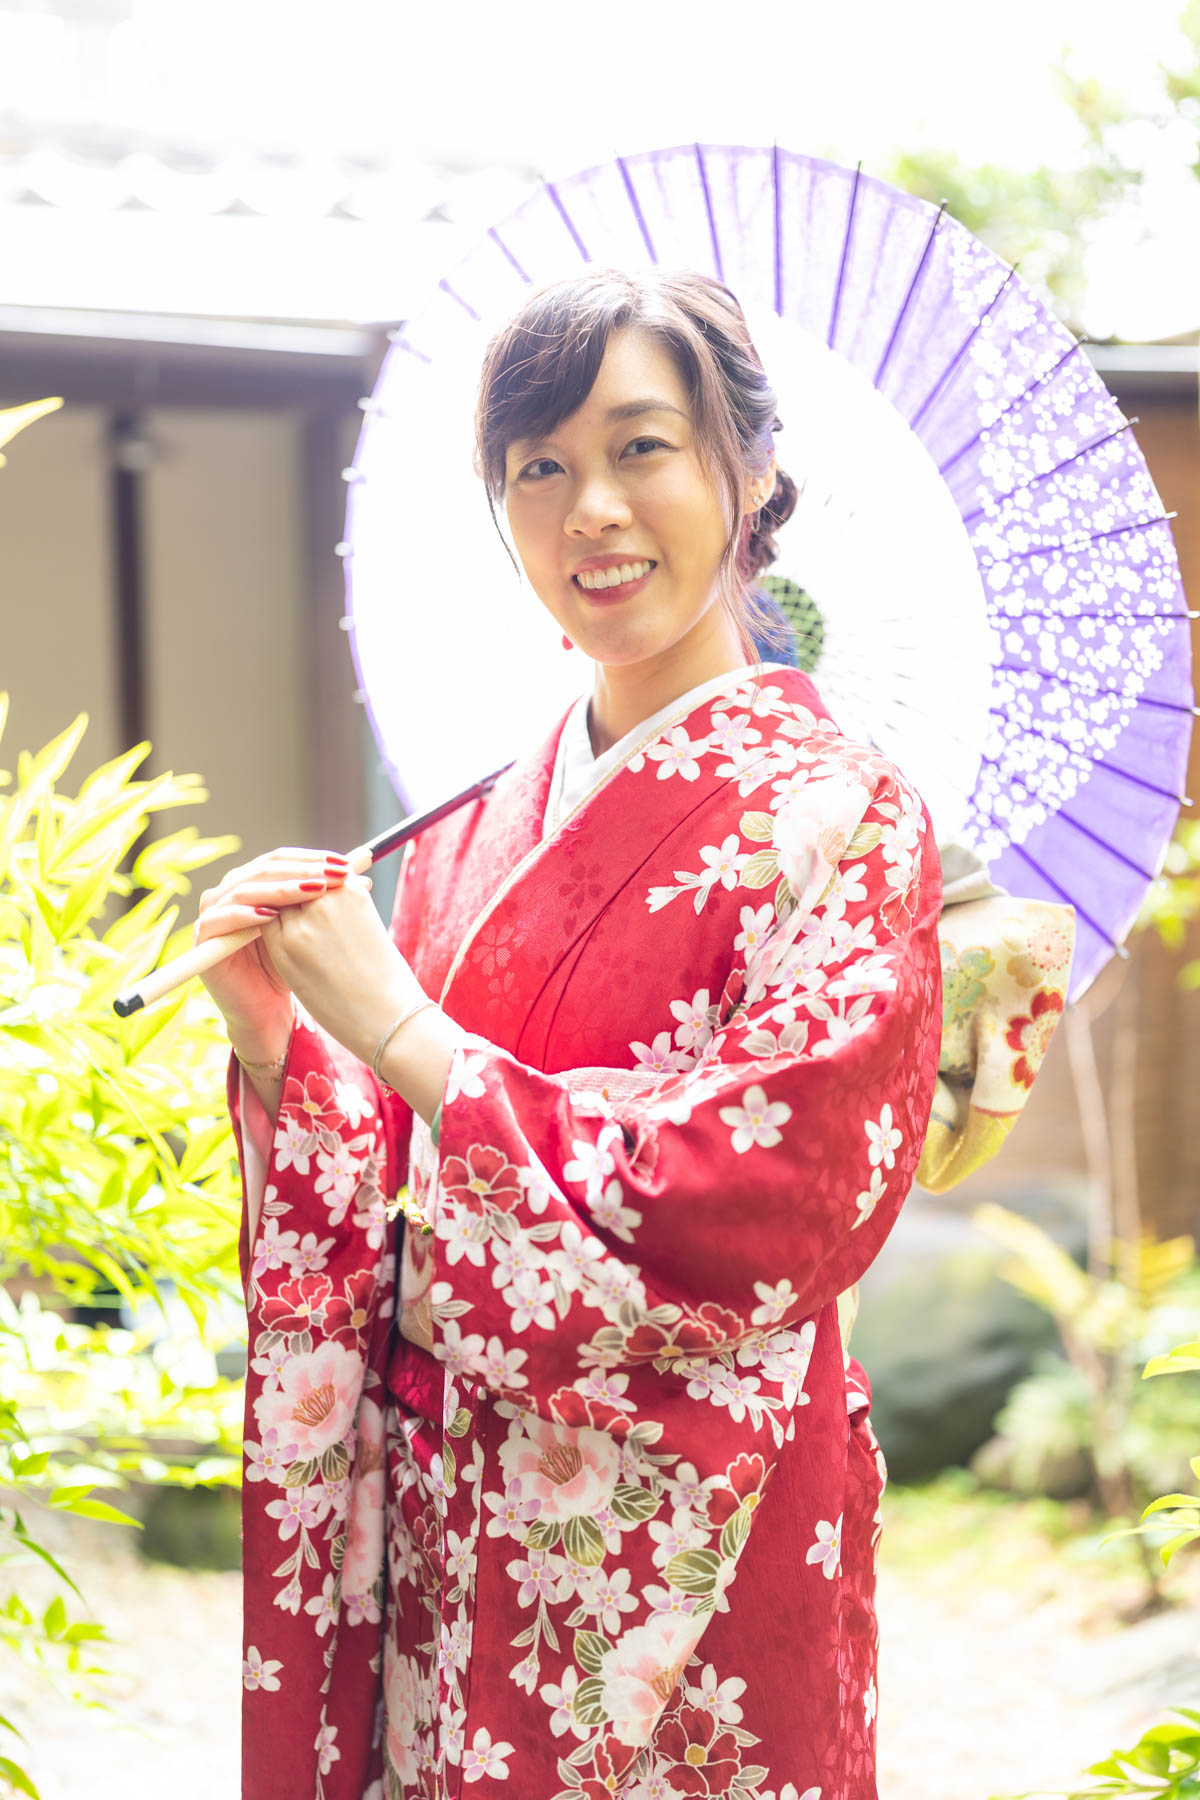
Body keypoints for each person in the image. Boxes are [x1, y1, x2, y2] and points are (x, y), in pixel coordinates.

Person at [199, 268, 946, 1800]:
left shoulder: (844, 817)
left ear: (752, 470)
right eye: (538, 466)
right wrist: (291, 1051)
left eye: (641, 447)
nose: (590, 509)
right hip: (457, 1542)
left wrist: (399, 1025)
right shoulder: (479, 821)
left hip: (699, 1558)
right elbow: (399, 1169)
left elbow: (761, 1199)